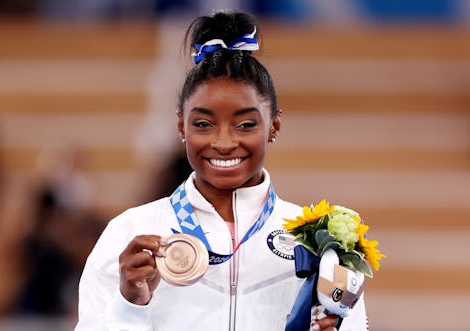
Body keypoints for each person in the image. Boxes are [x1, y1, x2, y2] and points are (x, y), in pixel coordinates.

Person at [75, 11, 368, 331]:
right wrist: (130, 307)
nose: (224, 142)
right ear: (181, 127)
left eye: (245, 124)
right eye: (203, 124)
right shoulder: (129, 233)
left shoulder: (319, 245)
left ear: (274, 125)